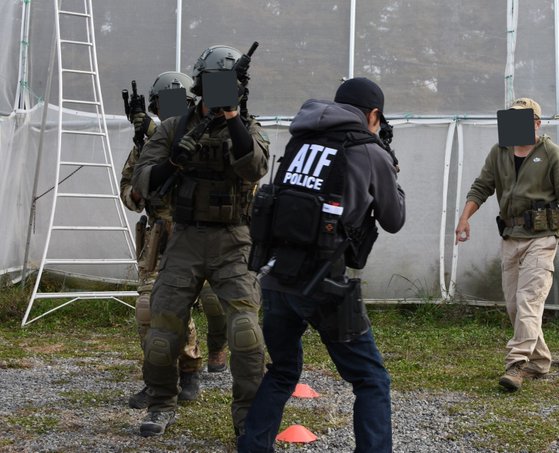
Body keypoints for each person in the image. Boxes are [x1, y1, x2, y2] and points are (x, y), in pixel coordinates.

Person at [237, 77, 406, 452]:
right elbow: (394, 219)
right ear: (373, 115)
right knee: (371, 379)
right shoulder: (369, 150)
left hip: (276, 275)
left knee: (282, 371)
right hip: (323, 283)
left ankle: (253, 446)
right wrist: (391, 169)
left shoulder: (300, 140)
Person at [131, 45, 269, 437]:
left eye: (227, 83)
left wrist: (233, 117)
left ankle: (248, 419)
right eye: (214, 82)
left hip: (233, 240)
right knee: (162, 331)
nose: (219, 89)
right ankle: (161, 403)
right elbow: (143, 182)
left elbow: (255, 168)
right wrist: (174, 160)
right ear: (200, 84)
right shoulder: (174, 127)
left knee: (245, 331)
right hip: (186, 238)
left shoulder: (248, 126)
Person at [454, 97, 559, 392]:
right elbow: (482, 187)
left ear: (536, 123)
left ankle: (517, 364)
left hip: (542, 238)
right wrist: (464, 218)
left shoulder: (552, 154)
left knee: (528, 301)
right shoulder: (499, 152)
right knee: (515, 305)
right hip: (511, 237)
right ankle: (539, 361)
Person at [120, 71, 229, 412]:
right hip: (160, 239)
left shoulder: (205, 138)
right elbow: (129, 191)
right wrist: (140, 188)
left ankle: (194, 366)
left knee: (215, 306)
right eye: (164, 106)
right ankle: (160, 378)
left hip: (200, 236)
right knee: (149, 310)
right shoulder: (145, 147)